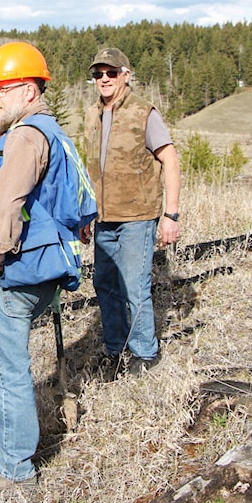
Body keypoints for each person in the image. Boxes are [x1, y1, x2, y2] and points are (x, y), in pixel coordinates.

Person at [0, 41, 96, 497]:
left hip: (13, 269)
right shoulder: (48, 131)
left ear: (26, 89)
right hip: (37, 264)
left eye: (0, 87)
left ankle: (15, 466)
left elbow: (9, 201)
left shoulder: (25, 136)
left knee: (7, 365)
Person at [82, 47, 181, 379]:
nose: (104, 79)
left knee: (134, 285)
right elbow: (88, 171)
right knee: (104, 283)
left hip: (138, 216)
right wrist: (84, 215)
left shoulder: (144, 113)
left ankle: (144, 354)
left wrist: (171, 215)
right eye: (98, 74)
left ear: (126, 74)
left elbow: (170, 159)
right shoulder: (90, 116)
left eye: (111, 73)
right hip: (103, 218)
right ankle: (115, 349)